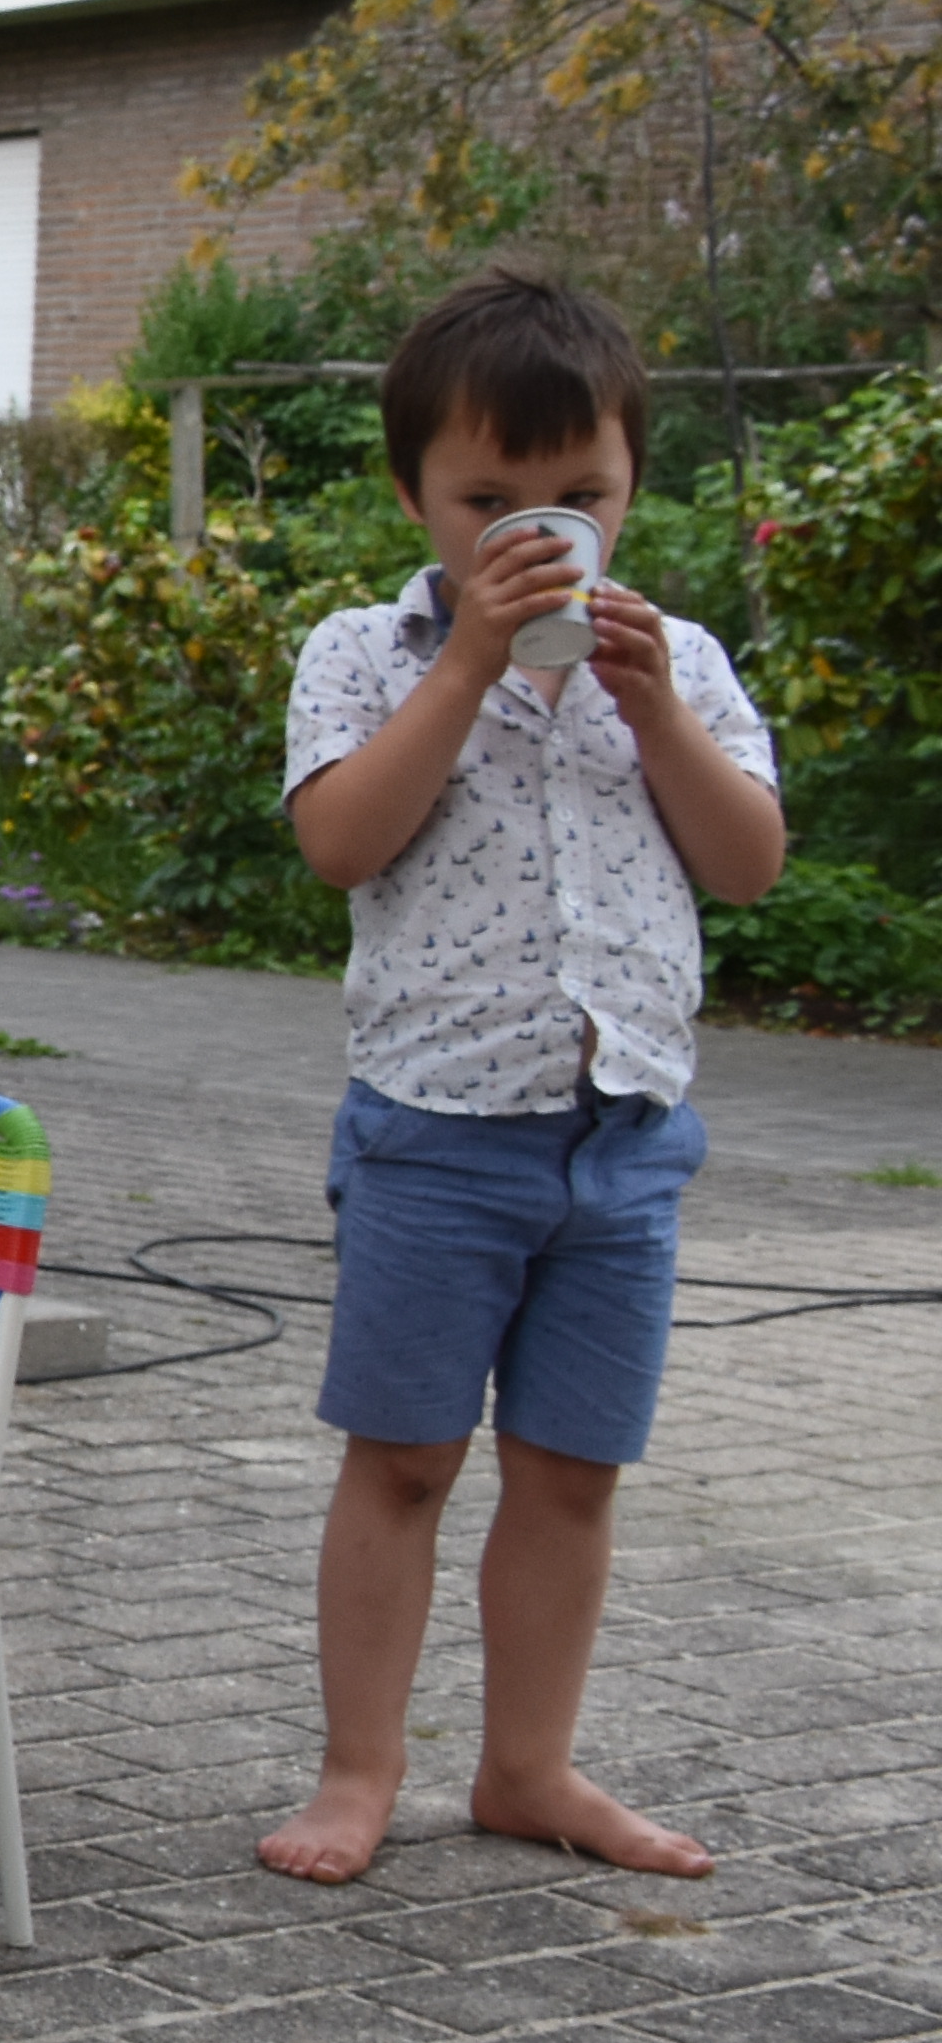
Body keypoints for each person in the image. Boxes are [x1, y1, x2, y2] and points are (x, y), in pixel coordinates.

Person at [258, 273, 784, 1888]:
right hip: (436, 1134)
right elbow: (342, 842)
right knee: (404, 1460)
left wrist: (655, 708)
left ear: (629, 490)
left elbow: (748, 865)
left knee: (569, 1475)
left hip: (625, 1142)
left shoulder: (680, 661)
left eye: (579, 498)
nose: (536, 531)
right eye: (488, 500)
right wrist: (469, 667)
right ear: (413, 495)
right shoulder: (368, 652)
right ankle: (360, 1769)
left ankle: (529, 1770)